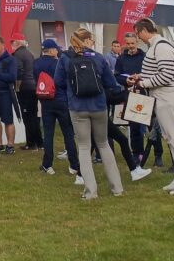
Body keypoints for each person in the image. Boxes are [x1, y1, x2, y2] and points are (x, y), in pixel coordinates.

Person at [127, 17, 174, 196]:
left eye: (138, 34)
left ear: (144, 31)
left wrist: (144, 83)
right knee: (172, 139)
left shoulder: (162, 47)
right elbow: (161, 72)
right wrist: (142, 77)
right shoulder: (157, 46)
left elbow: (166, 76)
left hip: (168, 97)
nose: (138, 38)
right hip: (163, 97)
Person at [53, 28, 124, 200]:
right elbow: (110, 82)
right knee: (104, 144)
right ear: (88, 40)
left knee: (84, 147)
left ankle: (91, 191)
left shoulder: (65, 59)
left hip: (77, 107)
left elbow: (58, 82)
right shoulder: (98, 58)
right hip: (98, 106)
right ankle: (117, 188)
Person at [33, 39, 79, 176]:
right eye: (56, 49)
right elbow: (66, 81)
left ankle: (47, 165)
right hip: (61, 100)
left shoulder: (36, 63)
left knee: (48, 134)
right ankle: (74, 165)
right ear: (52, 50)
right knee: (68, 133)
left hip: (46, 101)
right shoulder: (59, 62)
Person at [114, 32, 147, 162]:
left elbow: (150, 72)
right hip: (129, 93)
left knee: (150, 126)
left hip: (145, 93)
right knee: (134, 126)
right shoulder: (121, 58)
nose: (130, 46)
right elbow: (117, 75)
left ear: (137, 42)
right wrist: (126, 80)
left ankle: (157, 154)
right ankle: (136, 152)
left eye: (132, 43)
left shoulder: (144, 56)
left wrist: (140, 76)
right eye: (128, 44)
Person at [11, 34, 42, 150]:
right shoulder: (29, 53)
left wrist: (17, 87)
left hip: (24, 88)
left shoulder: (18, 55)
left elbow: (19, 71)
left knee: (27, 116)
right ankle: (39, 142)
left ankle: (31, 143)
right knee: (34, 115)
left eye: (13, 42)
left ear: (17, 43)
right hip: (32, 86)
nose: (11, 45)